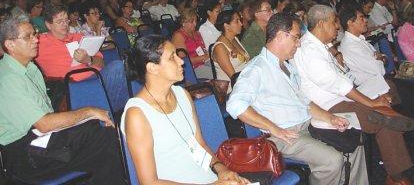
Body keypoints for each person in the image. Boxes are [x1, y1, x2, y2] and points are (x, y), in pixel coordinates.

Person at [227, 12, 368, 185]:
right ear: (280, 36)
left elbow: (305, 102)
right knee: (332, 161)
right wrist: (274, 129)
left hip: (308, 125)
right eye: (295, 38)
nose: (298, 43)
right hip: (284, 136)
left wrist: (329, 118)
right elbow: (235, 106)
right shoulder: (257, 69)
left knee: (354, 140)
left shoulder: (287, 67)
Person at [295, 5, 414, 185]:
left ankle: (396, 174)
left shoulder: (317, 43)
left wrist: (335, 51)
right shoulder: (309, 50)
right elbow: (336, 84)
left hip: (340, 97)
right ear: (321, 24)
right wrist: (371, 102)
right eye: (333, 22)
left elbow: (339, 70)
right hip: (328, 106)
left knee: (383, 111)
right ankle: (397, 177)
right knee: (381, 115)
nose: (337, 26)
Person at [0, 16, 125, 184]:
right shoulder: (8, 78)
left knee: (101, 133)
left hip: (40, 138)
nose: (36, 40)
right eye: (27, 37)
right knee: (102, 138)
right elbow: (44, 123)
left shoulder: (30, 68)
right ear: (10, 44)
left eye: (35, 34)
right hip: (23, 154)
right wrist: (89, 111)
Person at [121, 35, 248, 185]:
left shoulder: (183, 95)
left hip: (210, 180)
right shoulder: (137, 114)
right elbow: (149, 182)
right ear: (152, 68)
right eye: (172, 58)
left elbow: (199, 144)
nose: (181, 61)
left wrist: (222, 169)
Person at [339, 6, 400, 102]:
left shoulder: (359, 40)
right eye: (361, 18)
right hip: (373, 90)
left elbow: (382, 57)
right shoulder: (350, 46)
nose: (366, 21)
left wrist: (380, 58)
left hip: (379, 83)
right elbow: (378, 70)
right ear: (350, 23)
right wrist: (381, 59)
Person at [212, 11, 249, 91]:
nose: (241, 24)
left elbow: (247, 62)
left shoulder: (235, 39)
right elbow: (233, 77)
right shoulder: (220, 48)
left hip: (246, 81)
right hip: (232, 89)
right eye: (237, 21)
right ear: (226, 26)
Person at [172, 8, 213, 79]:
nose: (195, 24)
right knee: (217, 73)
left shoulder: (197, 33)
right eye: (192, 22)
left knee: (222, 66)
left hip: (204, 61)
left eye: (196, 21)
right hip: (192, 68)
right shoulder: (179, 36)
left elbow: (203, 50)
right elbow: (184, 61)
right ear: (183, 22)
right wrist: (202, 57)